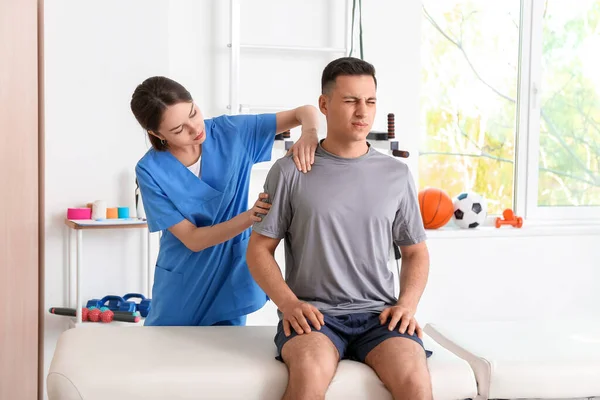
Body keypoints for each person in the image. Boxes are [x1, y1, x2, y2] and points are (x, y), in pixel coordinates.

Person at [246, 57, 433, 400]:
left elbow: (415, 251)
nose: (362, 111)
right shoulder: (290, 171)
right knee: (309, 377)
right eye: (350, 101)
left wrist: (407, 305)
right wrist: (289, 305)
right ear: (324, 104)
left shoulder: (396, 175)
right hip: (314, 317)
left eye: (370, 101)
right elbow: (258, 250)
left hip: (380, 317)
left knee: (416, 382)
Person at [130, 76, 320, 327]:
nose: (195, 128)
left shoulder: (232, 132)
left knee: (226, 357)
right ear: (156, 133)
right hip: (183, 280)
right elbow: (193, 239)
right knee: (168, 354)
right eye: (178, 130)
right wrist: (250, 217)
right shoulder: (150, 170)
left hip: (231, 275)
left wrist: (310, 134)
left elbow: (305, 112)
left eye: (193, 113)